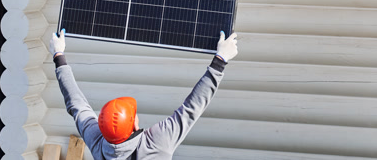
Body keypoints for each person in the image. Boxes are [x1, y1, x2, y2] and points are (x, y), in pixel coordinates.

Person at [49, 28, 238, 159]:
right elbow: (191, 108)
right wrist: (219, 61)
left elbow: (77, 105)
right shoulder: (156, 143)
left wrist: (59, 56)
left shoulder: (98, 143)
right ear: (133, 124)